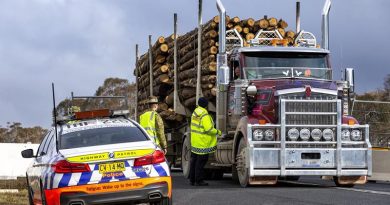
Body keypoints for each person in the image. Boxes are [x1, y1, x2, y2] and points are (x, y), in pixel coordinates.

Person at [189, 97, 222, 186]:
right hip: (203, 143)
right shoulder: (204, 115)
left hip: (195, 141)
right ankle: (199, 180)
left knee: (194, 161)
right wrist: (218, 132)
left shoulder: (195, 113)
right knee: (201, 162)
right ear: (206, 105)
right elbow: (209, 129)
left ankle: (192, 179)